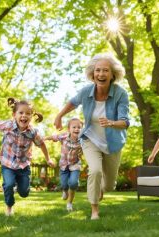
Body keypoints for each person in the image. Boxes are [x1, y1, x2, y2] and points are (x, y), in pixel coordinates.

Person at [54, 53, 130, 220]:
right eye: (97, 70)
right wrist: (59, 115)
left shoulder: (120, 94)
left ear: (112, 75)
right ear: (92, 73)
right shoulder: (86, 91)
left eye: (105, 70)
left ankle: (102, 189)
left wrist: (111, 122)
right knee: (94, 171)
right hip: (90, 138)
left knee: (109, 186)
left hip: (113, 142)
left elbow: (125, 121)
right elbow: (73, 102)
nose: (101, 74)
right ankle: (94, 210)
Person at [0, 97, 55, 216]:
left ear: (31, 117)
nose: (24, 116)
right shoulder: (8, 125)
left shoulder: (33, 132)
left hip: (23, 166)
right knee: (8, 184)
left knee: (24, 193)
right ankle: (9, 206)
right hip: (8, 164)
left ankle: (19, 186)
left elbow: (41, 144)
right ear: (14, 115)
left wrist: (48, 159)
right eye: (21, 113)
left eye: (28, 113)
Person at [45, 117, 83, 212]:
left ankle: (69, 203)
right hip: (64, 165)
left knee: (73, 183)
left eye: (79, 127)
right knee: (64, 184)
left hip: (75, 164)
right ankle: (65, 190)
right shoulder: (64, 136)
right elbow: (54, 137)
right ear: (68, 129)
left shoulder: (83, 140)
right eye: (74, 127)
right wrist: (44, 138)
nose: (77, 129)